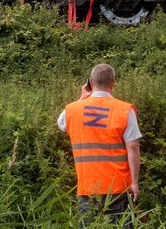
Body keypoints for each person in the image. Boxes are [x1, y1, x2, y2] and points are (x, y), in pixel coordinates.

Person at [58, 63, 141, 228]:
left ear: (90, 82)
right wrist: (134, 182)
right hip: (118, 187)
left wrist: (82, 98)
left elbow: (61, 123)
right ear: (113, 82)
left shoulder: (72, 110)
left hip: (87, 188)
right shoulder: (124, 110)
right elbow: (133, 147)